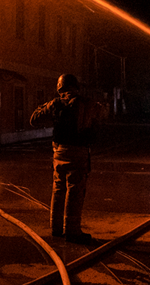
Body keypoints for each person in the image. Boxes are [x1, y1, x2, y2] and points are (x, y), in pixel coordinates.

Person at [30, 74, 102, 245]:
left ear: (60, 88)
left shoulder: (55, 104)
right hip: (79, 151)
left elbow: (34, 119)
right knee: (75, 191)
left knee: (58, 189)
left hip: (59, 152)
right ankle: (72, 231)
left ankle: (56, 229)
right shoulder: (86, 103)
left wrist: (49, 105)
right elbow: (99, 118)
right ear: (76, 87)